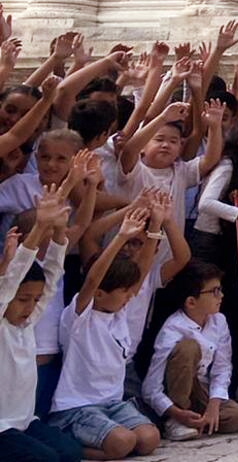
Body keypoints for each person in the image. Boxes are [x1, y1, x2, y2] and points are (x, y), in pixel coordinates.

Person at [48, 204, 161, 460]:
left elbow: (140, 273)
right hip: (77, 408)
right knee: (123, 443)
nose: (129, 296)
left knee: (149, 438)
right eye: (123, 291)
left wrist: (155, 227)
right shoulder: (80, 315)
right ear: (100, 294)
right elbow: (92, 280)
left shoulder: (118, 311)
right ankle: (66, 444)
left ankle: (110, 443)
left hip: (112, 405)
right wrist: (121, 236)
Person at [1, 182, 79, 462]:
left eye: (34, 300)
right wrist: (38, 230)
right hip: (1, 428)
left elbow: (53, 273)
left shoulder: (28, 321)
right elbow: (10, 281)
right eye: (22, 299)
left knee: (70, 453)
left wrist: (58, 229)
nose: (30, 306)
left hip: (23, 422)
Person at [141, 261, 238, 441]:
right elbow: (151, 388)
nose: (221, 295)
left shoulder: (219, 321)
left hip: (200, 389)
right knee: (188, 347)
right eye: (214, 291)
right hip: (174, 394)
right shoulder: (173, 329)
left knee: (237, 417)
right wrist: (176, 412)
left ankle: (199, 421)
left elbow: (222, 367)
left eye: (220, 289)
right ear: (191, 301)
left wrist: (213, 406)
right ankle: (175, 420)